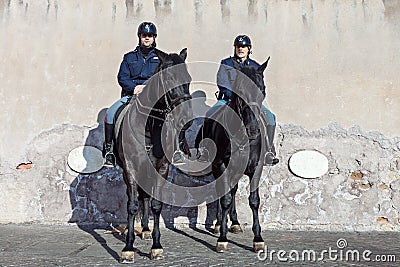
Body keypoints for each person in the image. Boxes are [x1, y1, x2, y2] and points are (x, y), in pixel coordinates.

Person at [207, 35, 279, 165]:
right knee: (210, 114)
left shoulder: (255, 66)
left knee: (271, 118)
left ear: (249, 49)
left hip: (250, 103)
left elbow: (260, 87)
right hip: (228, 100)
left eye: (244, 47)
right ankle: (205, 149)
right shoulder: (226, 63)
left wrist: (256, 99)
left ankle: (268, 150)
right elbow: (222, 82)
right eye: (238, 46)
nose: (241, 49)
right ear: (235, 48)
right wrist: (235, 97)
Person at [103, 22, 160, 167]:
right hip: (130, 96)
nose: (147, 38)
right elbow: (122, 77)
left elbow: (160, 78)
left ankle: (176, 149)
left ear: (154, 38)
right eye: (144, 35)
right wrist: (134, 88)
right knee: (110, 113)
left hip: (151, 98)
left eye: (150, 36)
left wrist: (146, 87)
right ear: (139, 37)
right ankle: (109, 151)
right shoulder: (129, 57)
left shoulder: (160, 58)